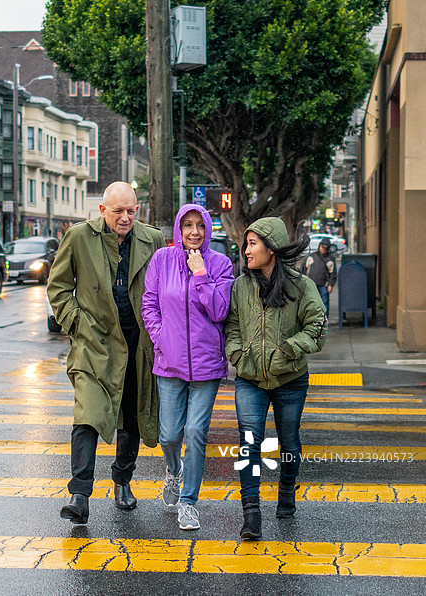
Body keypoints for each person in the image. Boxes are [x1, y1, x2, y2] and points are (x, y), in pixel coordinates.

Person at [47, 181, 166, 524]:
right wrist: (78, 325)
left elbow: (160, 290)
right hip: (94, 344)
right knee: (88, 414)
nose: (125, 217)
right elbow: (57, 288)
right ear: (102, 210)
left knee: (131, 416)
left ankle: (123, 480)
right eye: (118, 211)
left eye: (131, 211)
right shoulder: (80, 236)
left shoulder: (152, 239)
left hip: (136, 345)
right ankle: (80, 494)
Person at [224, 217, 327, 541]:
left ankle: (286, 490)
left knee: (289, 443)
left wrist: (289, 349)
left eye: (253, 243)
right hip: (250, 379)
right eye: (246, 243)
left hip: (291, 380)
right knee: (249, 444)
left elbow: (317, 328)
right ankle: (251, 513)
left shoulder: (301, 286)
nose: (246, 249)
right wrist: (239, 355)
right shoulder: (241, 286)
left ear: (272, 248)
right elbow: (233, 328)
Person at [141, 204, 234, 531]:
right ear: (179, 229)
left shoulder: (220, 264)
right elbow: (149, 304)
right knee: (169, 435)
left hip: (207, 366)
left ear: (208, 229)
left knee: (195, 432)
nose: (194, 231)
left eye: (200, 225)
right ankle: (173, 469)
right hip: (169, 363)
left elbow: (220, 310)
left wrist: (200, 274)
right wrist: (161, 339)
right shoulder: (161, 260)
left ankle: (189, 502)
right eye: (188, 225)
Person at [300, 239, 337, 318]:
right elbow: (303, 269)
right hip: (311, 285)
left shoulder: (330, 259)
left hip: (324, 285)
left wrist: (330, 284)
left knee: (324, 304)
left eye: (325, 248)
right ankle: (312, 319)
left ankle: (324, 319)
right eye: (321, 247)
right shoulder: (312, 257)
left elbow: (333, 273)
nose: (322, 249)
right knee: (311, 303)